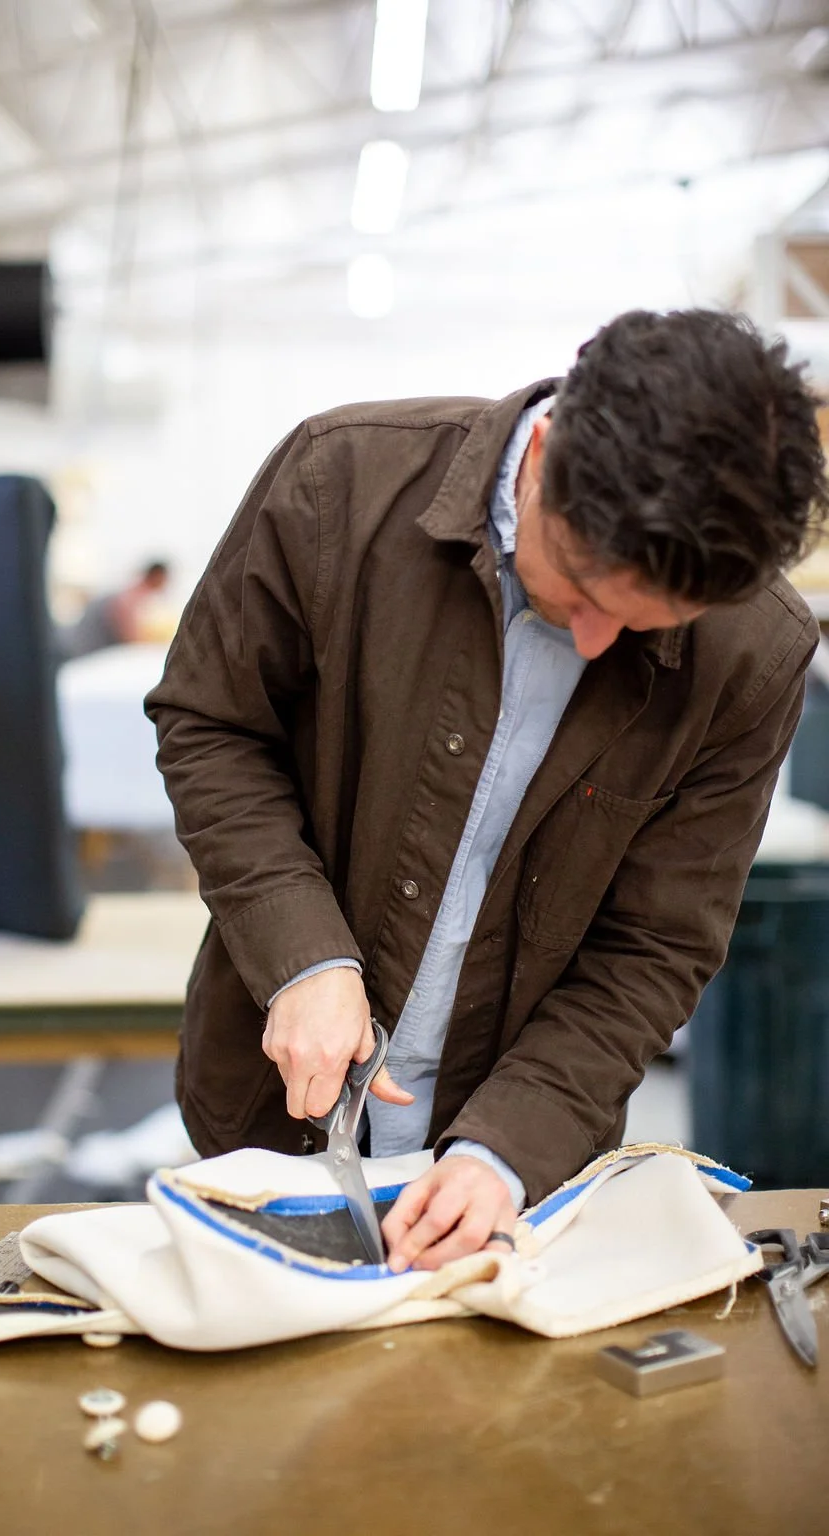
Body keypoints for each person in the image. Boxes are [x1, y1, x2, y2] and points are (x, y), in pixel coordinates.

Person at [145, 308, 829, 1275]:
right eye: (585, 593)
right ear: (546, 453)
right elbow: (213, 724)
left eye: (643, 628)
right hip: (270, 1116)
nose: (595, 643)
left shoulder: (751, 655)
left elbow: (656, 944)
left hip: (520, 1174)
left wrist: (512, 1146)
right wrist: (302, 956)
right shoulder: (339, 481)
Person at [58, 559, 173, 660]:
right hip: (72, 648)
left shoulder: (131, 596)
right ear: (157, 577)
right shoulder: (129, 599)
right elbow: (130, 638)